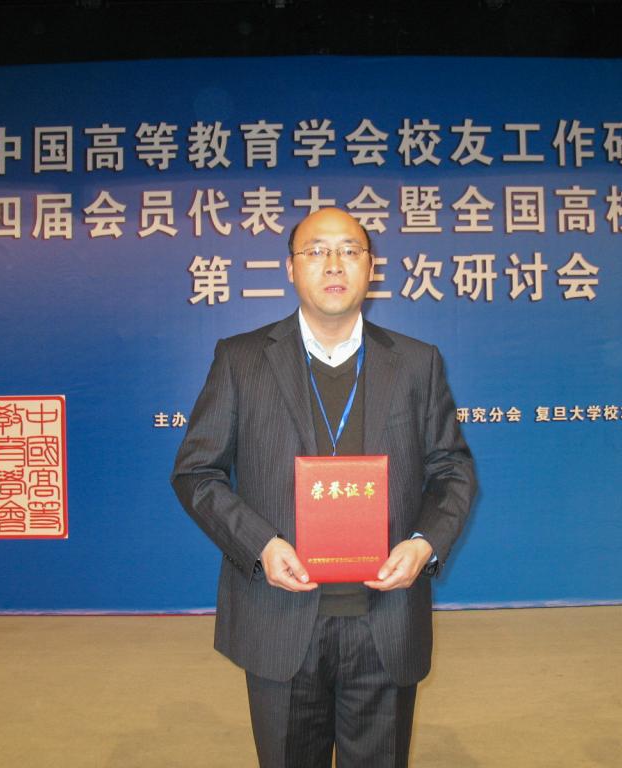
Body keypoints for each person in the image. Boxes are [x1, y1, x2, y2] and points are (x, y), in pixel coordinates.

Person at [172, 207, 476, 768]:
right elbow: (196, 472)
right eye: (316, 251)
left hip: (386, 617)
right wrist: (260, 545)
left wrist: (423, 545)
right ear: (290, 268)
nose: (333, 264)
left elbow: (452, 470)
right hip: (279, 616)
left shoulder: (416, 363)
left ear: (371, 267)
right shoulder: (240, 359)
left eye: (349, 250)